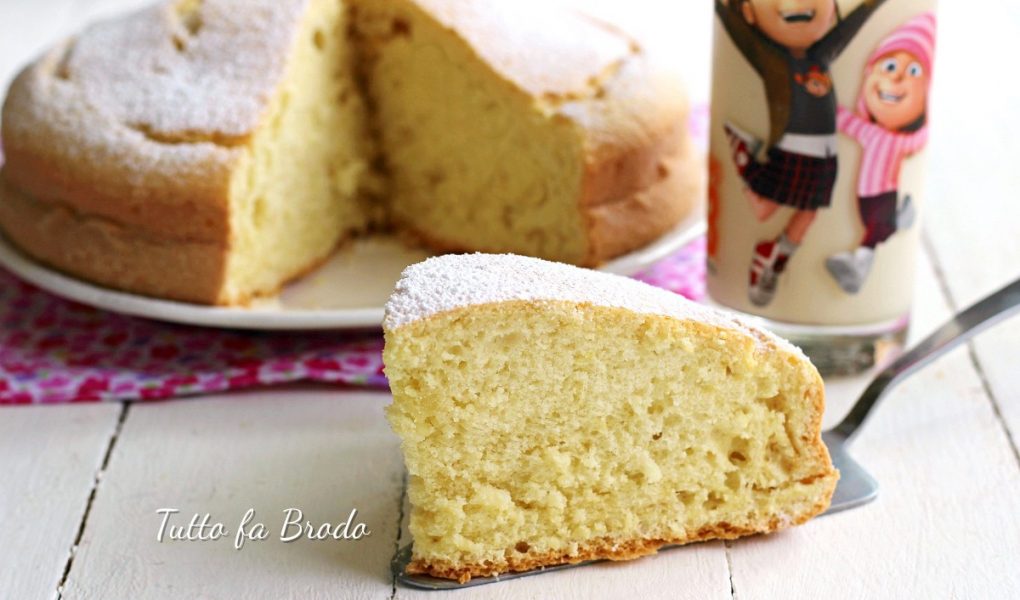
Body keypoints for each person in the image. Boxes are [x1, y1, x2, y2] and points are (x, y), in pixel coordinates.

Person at [715, 0, 887, 306]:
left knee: (807, 212)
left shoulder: (822, 55)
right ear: (749, 12)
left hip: (826, 155)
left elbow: (851, 26)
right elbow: (736, 30)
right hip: (794, 148)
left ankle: (775, 256)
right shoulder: (770, 58)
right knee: (764, 209)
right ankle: (743, 155)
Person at [826, 12, 936, 293]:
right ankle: (898, 220)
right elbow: (842, 120)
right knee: (874, 222)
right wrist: (822, 94)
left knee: (874, 227)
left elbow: (921, 137)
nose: (897, 77)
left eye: (913, 71)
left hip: (884, 193)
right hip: (865, 196)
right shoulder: (869, 131)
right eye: (888, 66)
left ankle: (860, 262)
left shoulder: (903, 141)